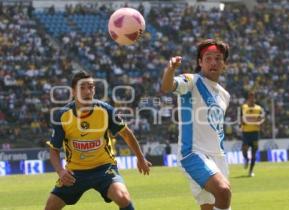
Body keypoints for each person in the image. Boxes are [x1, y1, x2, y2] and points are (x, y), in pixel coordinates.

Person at [45, 71, 151, 210]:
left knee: (123, 197)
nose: (87, 91)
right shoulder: (63, 116)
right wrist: (61, 172)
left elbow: (126, 133)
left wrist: (140, 158)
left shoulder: (105, 110)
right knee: (50, 207)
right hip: (75, 172)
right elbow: (54, 150)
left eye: (91, 87)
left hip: (104, 169)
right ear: (73, 92)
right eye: (82, 88)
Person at [161, 39, 231, 210]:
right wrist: (170, 70)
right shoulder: (192, 81)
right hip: (194, 154)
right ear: (200, 62)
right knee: (223, 191)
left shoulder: (224, 95)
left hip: (218, 157)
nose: (213, 62)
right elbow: (167, 86)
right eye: (208, 58)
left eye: (218, 58)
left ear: (224, 64)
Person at [240, 91, 264, 177]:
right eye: (250, 97)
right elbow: (241, 118)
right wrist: (241, 124)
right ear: (248, 98)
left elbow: (261, 119)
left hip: (255, 133)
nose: (252, 99)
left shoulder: (258, 108)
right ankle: (246, 159)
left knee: (254, 153)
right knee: (244, 150)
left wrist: (260, 125)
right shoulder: (244, 107)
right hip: (246, 133)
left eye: (253, 97)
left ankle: (250, 171)